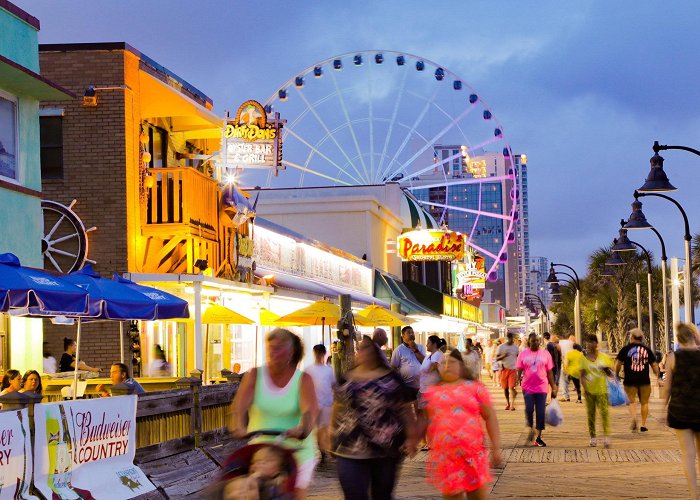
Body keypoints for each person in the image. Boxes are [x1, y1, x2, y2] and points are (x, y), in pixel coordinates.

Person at [230, 328, 319, 499]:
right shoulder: (255, 375)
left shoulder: (303, 379)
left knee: (293, 492)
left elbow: (309, 411)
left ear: (290, 353)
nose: (273, 353)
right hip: (262, 449)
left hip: (295, 449)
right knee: (250, 489)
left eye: (279, 348)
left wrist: (302, 429)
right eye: (270, 348)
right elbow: (239, 407)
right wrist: (239, 426)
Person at [332, 336, 417, 500]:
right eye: (362, 349)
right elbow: (337, 406)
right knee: (354, 493)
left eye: (369, 349)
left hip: (385, 449)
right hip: (350, 447)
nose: (365, 353)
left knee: (382, 494)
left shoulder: (391, 377)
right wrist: (330, 432)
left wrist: (411, 437)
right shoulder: (347, 377)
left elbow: (405, 409)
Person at [420, 349, 501, 499]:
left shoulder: (475, 388)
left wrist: (496, 448)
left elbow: (490, 417)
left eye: (451, 362)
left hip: (472, 455)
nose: (447, 366)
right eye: (443, 363)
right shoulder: (433, 392)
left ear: (461, 366)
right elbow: (429, 421)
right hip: (447, 459)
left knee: (477, 496)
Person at [662, 323, 700, 500]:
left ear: (678, 340)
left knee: (688, 455)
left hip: (680, 411)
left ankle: (694, 495)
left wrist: (662, 408)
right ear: (694, 337)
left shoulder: (672, 358)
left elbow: (667, 387)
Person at [614, 328, 660, 432]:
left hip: (630, 380)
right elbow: (654, 365)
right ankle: (643, 425)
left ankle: (634, 418)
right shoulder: (647, 350)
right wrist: (657, 375)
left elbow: (617, 364)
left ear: (632, 337)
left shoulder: (625, 349)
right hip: (644, 380)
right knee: (644, 403)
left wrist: (616, 374)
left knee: (631, 401)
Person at [517, 333, 557, 447]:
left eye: (537, 341)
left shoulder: (546, 354)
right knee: (529, 409)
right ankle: (530, 427)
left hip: (541, 387)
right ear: (529, 342)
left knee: (540, 412)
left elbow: (549, 371)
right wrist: (516, 382)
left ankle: (538, 437)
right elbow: (519, 369)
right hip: (527, 387)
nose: (535, 343)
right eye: (533, 341)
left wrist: (553, 386)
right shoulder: (523, 354)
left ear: (539, 341)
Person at [577, 334, 613, 448]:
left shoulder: (604, 357)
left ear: (596, 344)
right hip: (589, 391)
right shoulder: (583, 358)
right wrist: (585, 388)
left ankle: (606, 437)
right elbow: (582, 375)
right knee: (591, 415)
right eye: (589, 342)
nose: (591, 344)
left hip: (602, 390)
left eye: (593, 342)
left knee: (604, 414)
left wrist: (606, 370)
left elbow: (611, 374)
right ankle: (593, 437)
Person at [223, 445, 293, 500]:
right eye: (253, 462)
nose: (257, 464)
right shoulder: (243, 479)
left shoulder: (280, 481)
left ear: (278, 470)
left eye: (266, 461)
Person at [304, 344, 335, 460]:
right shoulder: (308, 370)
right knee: (315, 428)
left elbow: (334, 385)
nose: (318, 354)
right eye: (316, 352)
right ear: (314, 353)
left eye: (320, 352)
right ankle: (320, 449)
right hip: (313, 403)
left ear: (323, 354)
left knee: (325, 428)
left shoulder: (329, 370)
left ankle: (323, 450)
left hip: (326, 403)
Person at [390, 325, 426, 400]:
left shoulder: (421, 347)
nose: (411, 334)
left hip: (421, 385)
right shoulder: (398, 350)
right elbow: (393, 367)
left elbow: (424, 362)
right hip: (407, 386)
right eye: (408, 333)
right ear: (403, 336)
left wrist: (415, 349)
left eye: (412, 332)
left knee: (421, 408)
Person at [495, 333, 519, 410]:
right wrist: (503, 356)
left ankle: (512, 405)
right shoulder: (501, 347)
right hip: (503, 369)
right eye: (511, 339)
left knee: (511, 387)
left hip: (513, 369)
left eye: (513, 339)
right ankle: (508, 403)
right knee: (505, 388)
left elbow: (518, 357)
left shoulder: (516, 347)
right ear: (507, 338)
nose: (512, 340)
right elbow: (496, 358)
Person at [558, 334, 575, 401]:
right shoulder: (574, 345)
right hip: (574, 365)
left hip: (566, 364)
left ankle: (566, 396)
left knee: (563, 380)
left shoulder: (562, 343)